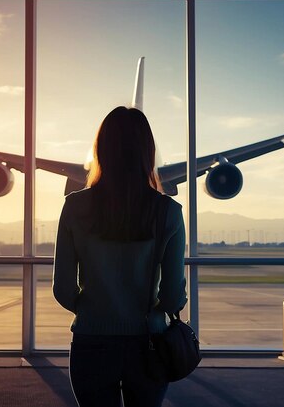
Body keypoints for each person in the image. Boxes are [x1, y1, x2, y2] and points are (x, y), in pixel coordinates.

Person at [52, 106, 187, 407]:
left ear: (100, 150)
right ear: (148, 152)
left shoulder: (74, 207)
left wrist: (93, 312)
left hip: (92, 341)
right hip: (148, 342)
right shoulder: (168, 211)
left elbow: (62, 289)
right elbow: (172, 297)